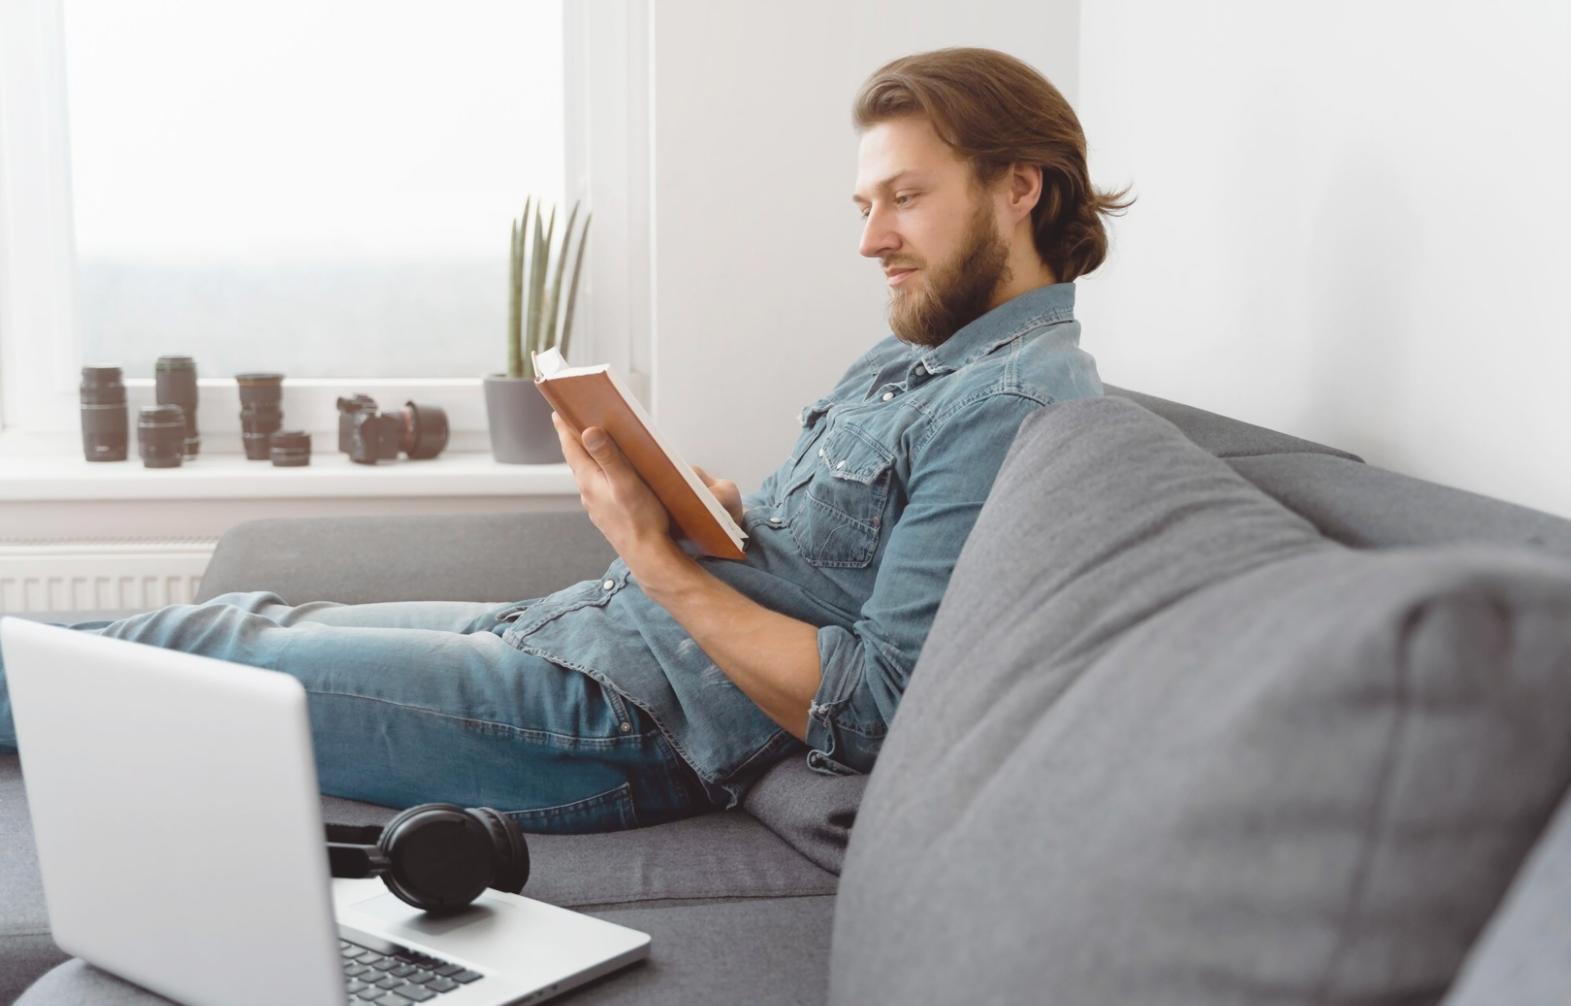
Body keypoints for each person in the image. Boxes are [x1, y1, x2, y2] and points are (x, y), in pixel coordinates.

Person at [0, 47, 1131, 834]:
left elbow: (872, 706)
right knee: (251, 620)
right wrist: (715, 516)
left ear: (1019, 188)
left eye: (903, 198)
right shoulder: (919, 355)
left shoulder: (1013, 407)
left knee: (208, 652)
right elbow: (833, 563)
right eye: (862, 205)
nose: (871, 238)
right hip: (586, 634)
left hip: (616, 723)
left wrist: (648, 550)